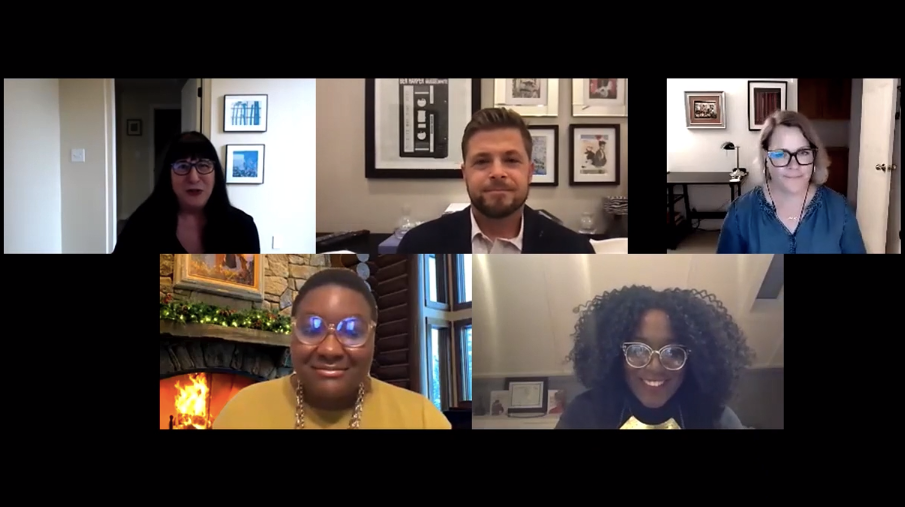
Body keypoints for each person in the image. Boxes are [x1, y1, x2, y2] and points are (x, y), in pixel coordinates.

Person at [213, 268, 451, 429]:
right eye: (311, 328)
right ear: (292, 333)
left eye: (352, 331)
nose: (330, 349)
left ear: (372, 337)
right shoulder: (242, 411)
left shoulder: (421, 418)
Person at [397, 108, 595, 254]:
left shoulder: (574, 250)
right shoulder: (417, 245)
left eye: (511, 160)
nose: (498, 173)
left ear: (530, 172)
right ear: (465, 174)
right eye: (482, 161)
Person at [555, 286, 754, 429]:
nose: (655, 366)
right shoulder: (584, 414)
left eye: (673, 352)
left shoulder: (716, 418)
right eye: (638, 350)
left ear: (694, 359)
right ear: (616, 354)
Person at [717, 110, 865, 254]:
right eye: (781, 154)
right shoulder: (740, 213)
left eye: (803, 152)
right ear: (765, 157)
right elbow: (726, 270)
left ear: (814, 157)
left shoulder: (840, 210)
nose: (793, 165)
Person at [113, 131, 260, 254]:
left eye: (203, 165)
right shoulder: (141, 226)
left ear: (216, 174)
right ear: (168, 176)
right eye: (182, 166)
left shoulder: (242, 227)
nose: (193, 178)